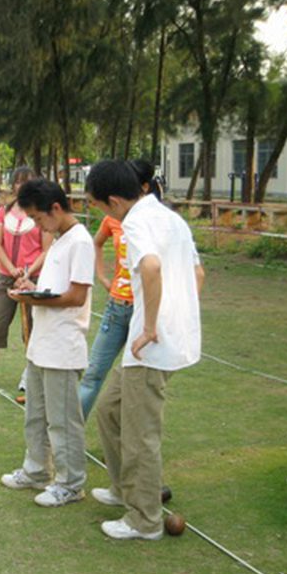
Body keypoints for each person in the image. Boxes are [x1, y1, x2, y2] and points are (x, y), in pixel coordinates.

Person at [85, 160, 204, 541]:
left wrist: (153, 326)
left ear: (114, 200)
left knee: (140, 433)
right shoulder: (169, 218)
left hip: (151, 345)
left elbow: (151, 267)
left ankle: (145, 520)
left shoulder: (136, 223)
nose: (101, 214)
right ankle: (125, 488)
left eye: (98, 206)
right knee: (109, 410)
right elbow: (198, 275)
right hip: (160, 339)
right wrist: (176, 316)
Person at [1, 178, 94, 508]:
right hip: (42, 343)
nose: (38, 226)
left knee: (63, 420)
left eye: (38, 218)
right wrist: (32, 290)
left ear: (55, 208)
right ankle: (37, 470)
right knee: (36, 415)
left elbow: (77, 296)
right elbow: (56, 288)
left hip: (63, 347)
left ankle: (70, 483)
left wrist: (32, 299)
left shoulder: (80, 241)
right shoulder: (59, 239)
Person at [78, 159, 162, 419]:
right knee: (93, 373)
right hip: (116, 307)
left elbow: (157, 267)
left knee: (135, 385)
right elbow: (97, 242)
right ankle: (70, 433)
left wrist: (153, 323)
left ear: (144, 187)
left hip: (142, 312)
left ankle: (129, 434)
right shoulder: (114, 219)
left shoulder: (155, 221)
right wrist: (102, 276)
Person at [0, 167, 53, 394]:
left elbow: (47, 249)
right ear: (13, 185)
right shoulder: (2, 212)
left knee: (33, 330)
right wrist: (12, 269)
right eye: (19, 182)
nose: (23, 186)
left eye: (28, 181)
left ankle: (30, 374)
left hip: (34, 280)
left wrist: (28, 272)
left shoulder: (42, 213)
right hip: (7, 278)